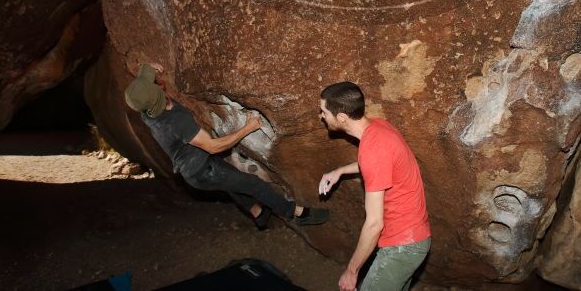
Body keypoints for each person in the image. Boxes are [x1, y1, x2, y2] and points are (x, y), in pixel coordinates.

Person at [124, 62, 329, 228]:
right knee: (253, 184)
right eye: (155, 84)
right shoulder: (174, 123)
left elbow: (142, 86)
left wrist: (149, 69)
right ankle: (295, 213)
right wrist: (248, 128)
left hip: (199, 162)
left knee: (232, 183)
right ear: (157, 96)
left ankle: (258, 214)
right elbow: (213, 147)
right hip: (201, 170)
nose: (159, 81)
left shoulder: (146, 109)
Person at [318, 81, 431, 291]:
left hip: (402, 244)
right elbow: (380, 164)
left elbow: (374, 224)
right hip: (415, 236)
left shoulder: (373, 149)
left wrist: (352, 271)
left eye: (324, 111)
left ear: (341, 117)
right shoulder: (378, 127)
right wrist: (340, 171)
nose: (321, 116)